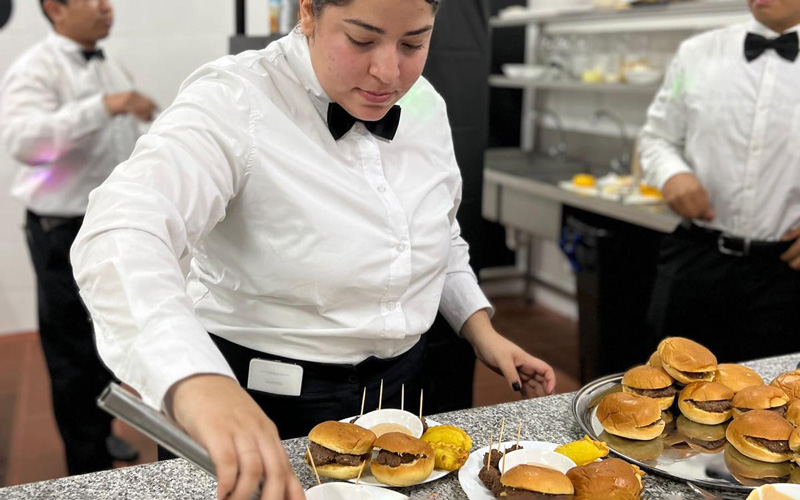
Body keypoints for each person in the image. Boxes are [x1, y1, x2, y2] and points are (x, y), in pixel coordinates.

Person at [71, 0, 556, 498]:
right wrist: (195, 381)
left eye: (413, 43)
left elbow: (439, 236)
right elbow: (123, 229)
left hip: (401, 391)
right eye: (362, 40)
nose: (388, 71)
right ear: (308, 13)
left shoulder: (426, 103)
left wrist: (480, 329)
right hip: (263, 399)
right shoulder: (236, 99)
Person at [0, 0, 156, 475]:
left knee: (107, 336)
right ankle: (84, 468)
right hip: (60, 231)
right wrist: (105, 106)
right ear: (56, 8)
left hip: (106, 224)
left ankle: (105, 433)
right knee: (71, 355)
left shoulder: (109, 60)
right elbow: (25, 143)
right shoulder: (36, 68)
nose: (107, 8)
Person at [639, 0, 800, 363]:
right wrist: (671, 173)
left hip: (786, 274)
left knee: (774, 406)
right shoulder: (696, 53)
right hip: (698, 257)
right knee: (670, 391)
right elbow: (656, 137)